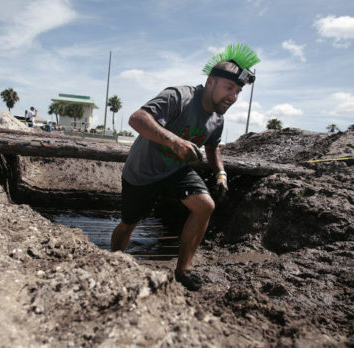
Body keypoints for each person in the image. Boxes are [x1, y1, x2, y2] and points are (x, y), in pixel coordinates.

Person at [111, 43, 260, 291]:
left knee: (206, 205)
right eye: (229, 88)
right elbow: (137, 118)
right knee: (129, 223)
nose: (233, 97)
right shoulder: (179, 96)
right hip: (142, 171)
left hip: (176, 171)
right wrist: (174, 140)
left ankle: (183, 271)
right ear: (211, 82)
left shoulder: (218, 120)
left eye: (238, 92)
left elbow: (213, 148)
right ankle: (112, 264)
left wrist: (221, 173)